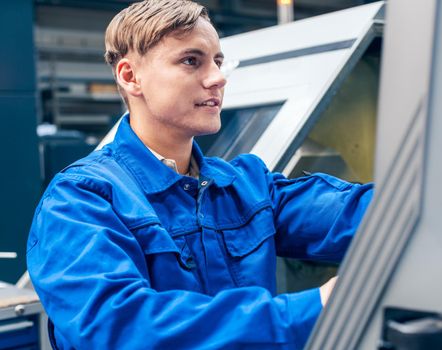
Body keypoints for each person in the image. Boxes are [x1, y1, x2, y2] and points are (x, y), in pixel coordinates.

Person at [26, 1, 373, 349]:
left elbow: (358, 214)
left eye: (218, 61)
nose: (218, 78)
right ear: (131, 76)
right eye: (191, 61)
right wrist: (317, 307)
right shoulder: (80, 200)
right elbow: (122, 328)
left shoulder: (244, 187)